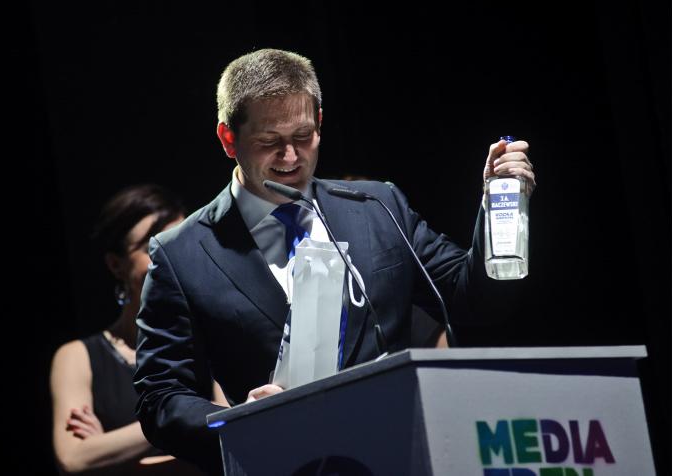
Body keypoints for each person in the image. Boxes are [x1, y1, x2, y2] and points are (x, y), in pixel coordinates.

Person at [134, 49, 535, 474]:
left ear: (320, 123)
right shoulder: (181, 253)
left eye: (303, 136)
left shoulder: (377, 206)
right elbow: (160, 398)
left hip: (402, 456)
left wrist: (502, 211)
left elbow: (474, 300)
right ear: (228, 139)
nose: (290, 157)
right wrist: (240, 422)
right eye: (269, 141)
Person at [50, 184, 227, 475]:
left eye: (178, 242)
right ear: (116, 264)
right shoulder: (78, 357)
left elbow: (229, 431)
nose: (171, 257)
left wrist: (113, 450)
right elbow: (74, 458)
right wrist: (195, 414)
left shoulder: (213, 337)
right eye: (152, 247)